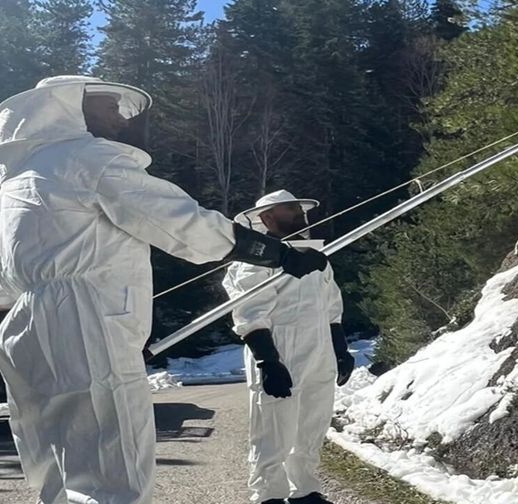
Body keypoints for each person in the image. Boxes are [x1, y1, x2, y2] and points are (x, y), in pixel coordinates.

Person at [0, 76, 328, 504]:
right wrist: (276, 254)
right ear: (69, 106)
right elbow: (179, 221)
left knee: (56, 462)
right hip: (85, 318)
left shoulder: (16, 182)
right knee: (113, 467)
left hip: (23, 329)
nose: (119, 118)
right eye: (109, 106)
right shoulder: (87, 158)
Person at [223, 190, 355, 504]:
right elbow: (250, 311)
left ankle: (305, 491)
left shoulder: (316, 257)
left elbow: (331, 307)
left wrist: (340, 350)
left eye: (299, 209)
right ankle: (269, 494)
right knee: (273, 429)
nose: (299, 215)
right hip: (279, 350)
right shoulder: (255, 259)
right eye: (290, 210)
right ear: (267, 218)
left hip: (318, 352)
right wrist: (268, 362)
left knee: (312, 426)